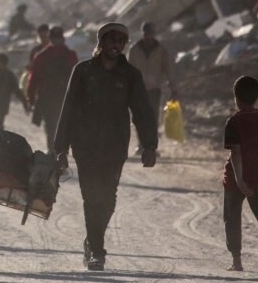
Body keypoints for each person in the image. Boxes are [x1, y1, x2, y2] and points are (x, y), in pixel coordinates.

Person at [54, 22, 157, 272]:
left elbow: (142, 111)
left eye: (121, 42)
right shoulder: (83, 71)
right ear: (101, 43)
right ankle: (97, 253)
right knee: (91, 197)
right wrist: (60, 148)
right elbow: (68, 109)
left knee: (108, 199)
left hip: (115, 146)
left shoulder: (131, 75)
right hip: (85, 145)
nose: (116, 46)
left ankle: (92, 239)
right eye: (112, 41)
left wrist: (149, 145)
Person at [222, 75, 258, 273]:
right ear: (257, 97)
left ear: (236, 98)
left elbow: (236, 153)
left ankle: (237, 261)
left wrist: (240, 182)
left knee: (232, 218)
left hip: (235, 181)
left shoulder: (234, 122)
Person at [127, 21, 178, 153]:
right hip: (138, 90)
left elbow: (168, 69)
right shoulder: (134, 50)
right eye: (146, 34)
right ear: (142, 34)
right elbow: (128, 70)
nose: (148, 37)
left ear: (154, 34)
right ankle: (141, 144)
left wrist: (174, 88)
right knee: (139, 117)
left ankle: (151, 146)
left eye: (150, 34)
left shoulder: (161, 50)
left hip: (154, 89)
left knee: (152, 118)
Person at [27, 26, 78, 154]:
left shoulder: (40, 56)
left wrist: (31, 98)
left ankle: (53, 153)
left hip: (47, 98)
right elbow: (78, 79)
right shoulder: (71, 55)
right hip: (65, 98)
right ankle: (62, 153)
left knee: (51, 128)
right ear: (63, 39)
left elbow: (33, 80)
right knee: (64, 126)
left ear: (50, 39)